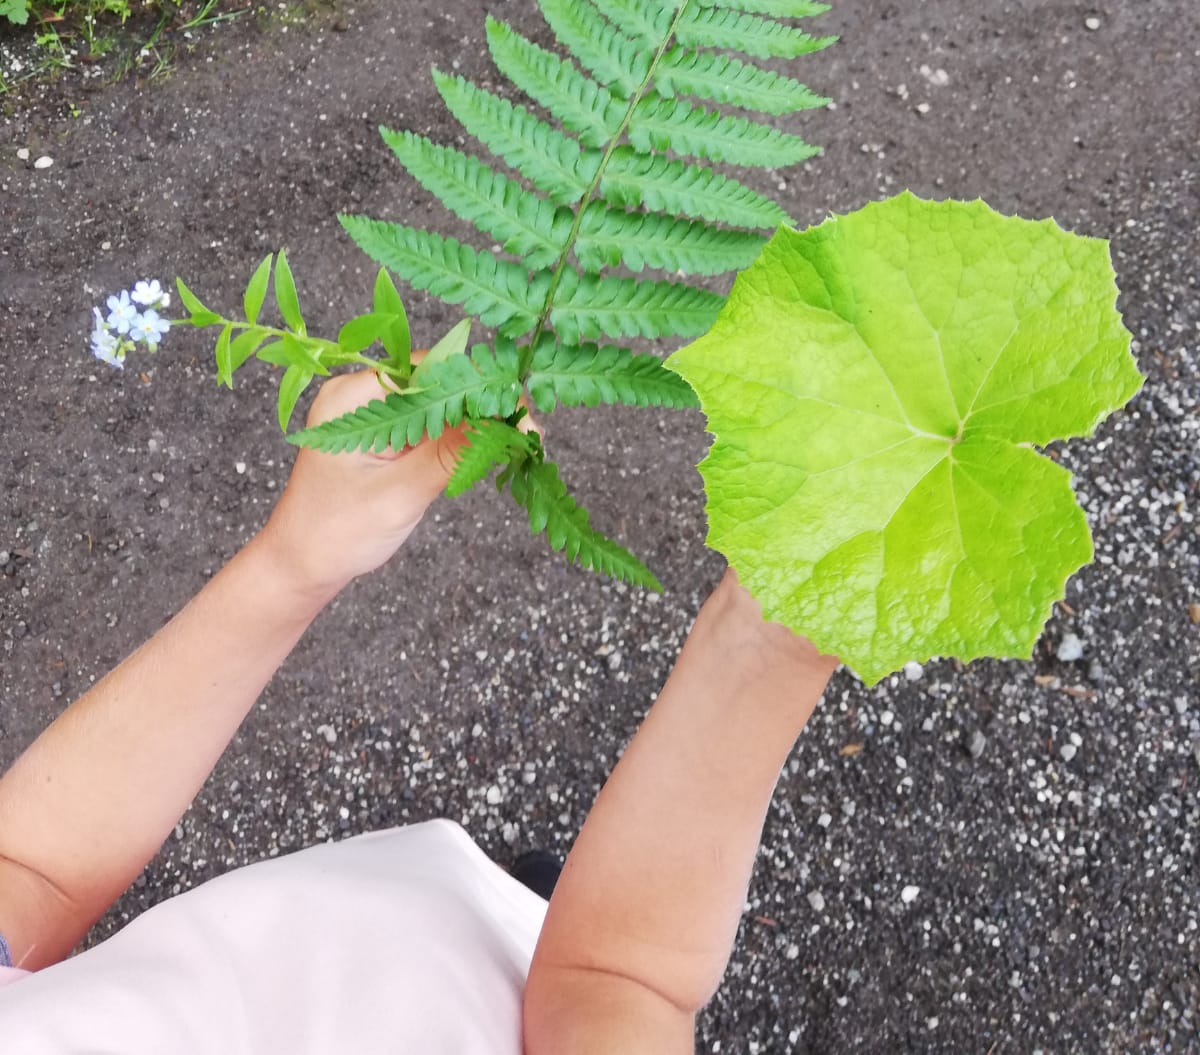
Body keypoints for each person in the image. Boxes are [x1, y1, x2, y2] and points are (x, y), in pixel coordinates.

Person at [0, 368, 838, 1053]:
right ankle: (526, 914)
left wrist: (295, 560)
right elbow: (621, 978)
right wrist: (772, 640)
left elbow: (28, 870)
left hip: (421, 904)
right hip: (564, 993)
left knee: (511, 907)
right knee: (545, 933)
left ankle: (514, 903)